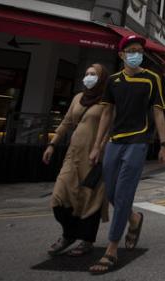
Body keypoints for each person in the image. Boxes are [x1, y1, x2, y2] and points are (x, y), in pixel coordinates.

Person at [88, 34, 165, 275]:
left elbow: (157, 113)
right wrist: (97, 145)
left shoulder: (152, 79)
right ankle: (134, 219)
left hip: (139, 141)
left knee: (123, 193)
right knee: (111, 192)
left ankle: (111, 249)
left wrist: (163, 144)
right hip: (115, 142)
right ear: (122, 55)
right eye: (131, 50)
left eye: (139, 51)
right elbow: (106, 114)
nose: (136, 54)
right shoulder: (113, 81)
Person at [42, 63, 110, 256]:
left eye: (93, 74)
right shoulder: (78, 98)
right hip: (73, 155)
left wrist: (99, 148)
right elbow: (66, 123)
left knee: (90, 199)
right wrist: (52, 144)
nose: (89, 77)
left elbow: (109, 129)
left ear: (102, 78)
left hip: (94, 157)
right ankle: (69, 234)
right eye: (87, 73)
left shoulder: (107, 100)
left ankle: (86, 240)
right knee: (59, 196)